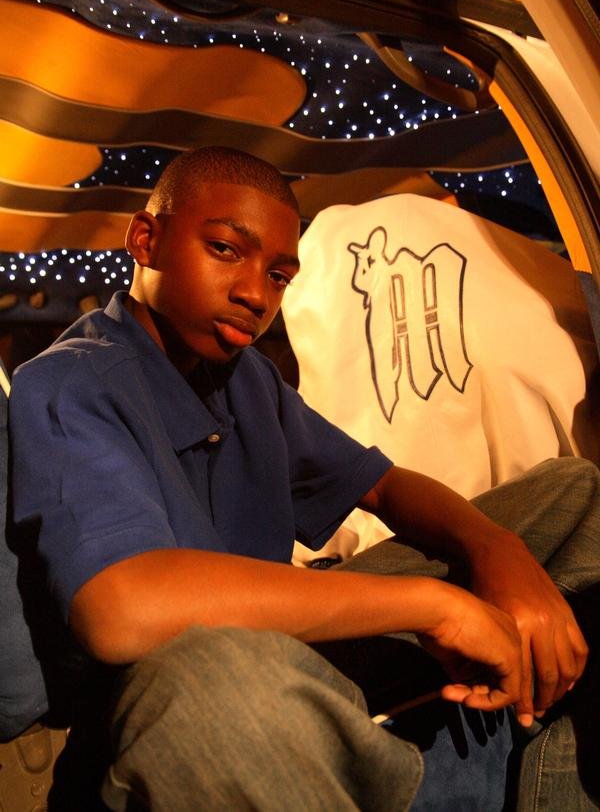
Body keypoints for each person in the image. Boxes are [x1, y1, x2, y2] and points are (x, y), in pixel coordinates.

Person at [8, 147, 599, 811]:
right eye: (225, 250)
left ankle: (535, 754)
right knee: (208, 685)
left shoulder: (245, 378)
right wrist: (436, 606)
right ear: (146, 240)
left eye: (279, 276)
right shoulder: (72, 380)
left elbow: (383, 486)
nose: (255, 294)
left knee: (575, 493)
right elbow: (120, 609)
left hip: (283, 659)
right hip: (188, 707)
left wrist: (498, 551)